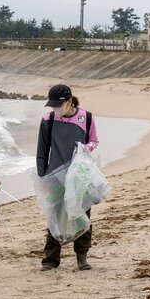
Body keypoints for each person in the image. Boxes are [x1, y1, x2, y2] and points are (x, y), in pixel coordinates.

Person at [36, 84, 99, 271]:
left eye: (59, 105)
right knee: (55, 217)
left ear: (69, 101)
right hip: (55, 175)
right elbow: (42, 150)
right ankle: (51, 259)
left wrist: (85, 149)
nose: (56, 109)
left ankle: (82, 257)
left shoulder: (86, 118)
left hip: (80, 175)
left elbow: (94, 140)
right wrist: (42, 175)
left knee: (81, 214)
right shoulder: (48, 120)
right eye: (53, 105)